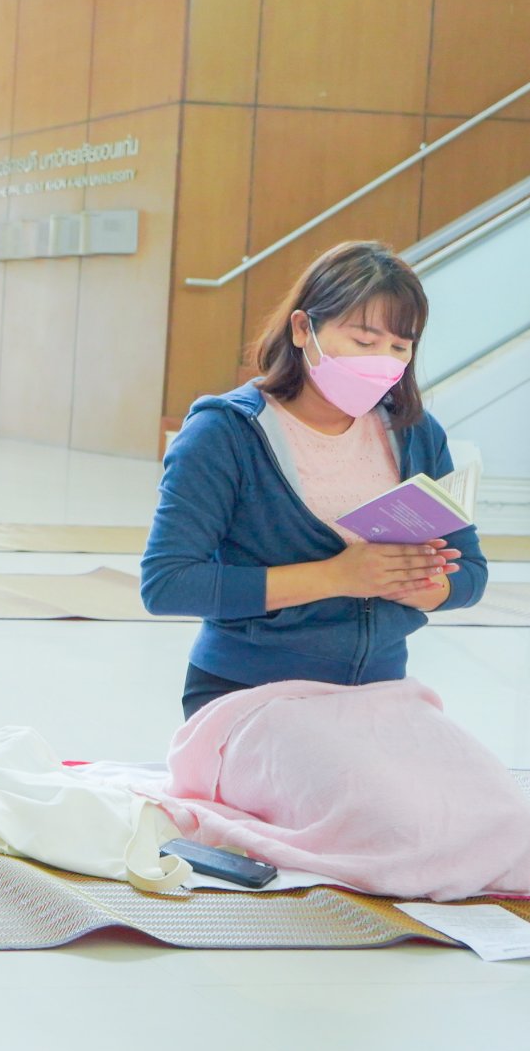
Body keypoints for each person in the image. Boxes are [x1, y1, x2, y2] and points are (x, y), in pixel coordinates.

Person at [139, 240, 488, 718]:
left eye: (399, 347)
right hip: (249, 692)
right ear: (303, 329)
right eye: (364, 342)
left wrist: (419, 586)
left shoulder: (415, 433)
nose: (383, 361)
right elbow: (168, 584)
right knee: (334, 768)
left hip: (379, 691)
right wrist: (337, 576)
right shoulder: (225, 433)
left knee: (459, 770)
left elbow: (471, 573)